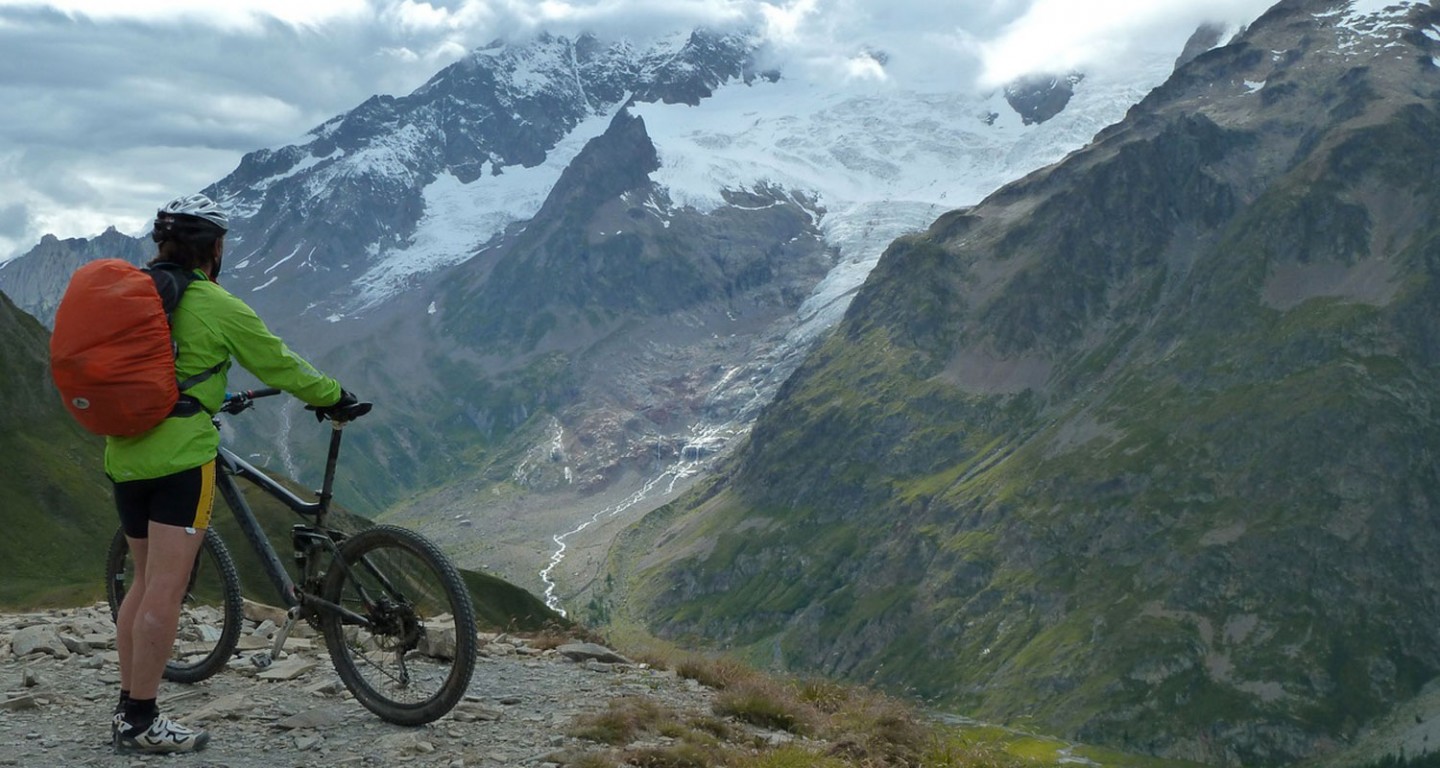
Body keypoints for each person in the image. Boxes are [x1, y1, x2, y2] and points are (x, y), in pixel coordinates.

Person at [107, 193, 357, 754]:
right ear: (214, 248)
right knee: (165, 593)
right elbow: (279, 362)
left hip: (124, 453)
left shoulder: (132, 296)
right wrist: (333, 396)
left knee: (143, 584)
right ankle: (141, 720)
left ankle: (127, 709)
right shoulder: (213, 303)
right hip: (180, 460)